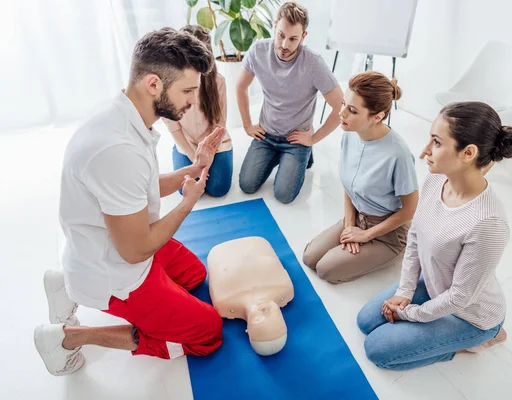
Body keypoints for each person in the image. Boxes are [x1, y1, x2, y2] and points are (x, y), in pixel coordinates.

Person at [34, 28, 226, 376]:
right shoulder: (118, 150)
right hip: (118, 273)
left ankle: (62, 284)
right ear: (154, 84)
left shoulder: (123, 113)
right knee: (208, 333)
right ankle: (67, 337)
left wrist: (196, 166)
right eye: (186, 91)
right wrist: (187, 202)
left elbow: (141, 189)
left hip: (110, 239)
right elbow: (135, 252)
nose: (192, 102)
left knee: (195, 274)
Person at [356, 101, 512, 371]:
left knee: (378, 351)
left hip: (471, 315)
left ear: (468, 153)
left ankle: (482, 339)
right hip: (436, 287)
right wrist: (405, 290)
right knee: (366, 321)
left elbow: (459, 297)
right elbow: (416, 237)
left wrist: (410, 313)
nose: (425, 151)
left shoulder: (489, 223)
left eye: (436, 142)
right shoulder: (436, 179)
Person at [303, 72, 418, 283]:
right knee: (310, 257)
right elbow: (350, 185)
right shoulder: (350, 134)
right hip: (357, 216)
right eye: (344, 104)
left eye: (352, 110)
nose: (342, 113)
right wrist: (349, 225)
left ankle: (393, 253)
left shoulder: (398, 155)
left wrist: (366, 235)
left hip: (387, 233)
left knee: (325, 270)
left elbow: (410, 210)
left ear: (377, 117)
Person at [236, 1, 344, 204]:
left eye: (293, 39)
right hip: (266, 134)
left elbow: (341, 106)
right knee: (247, 185)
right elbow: (240, 86)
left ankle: (303, 154)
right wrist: (247, 125)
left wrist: (312, 139)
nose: (285, 45)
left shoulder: (314, 63)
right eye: (281, 35)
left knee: (283, 195)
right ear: (275, 25)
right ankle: (282, 158)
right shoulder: (258, 51)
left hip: (295, 139)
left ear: (304, 36)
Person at [164, 25, 233, 197]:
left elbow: (219, 125)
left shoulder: (218, 82)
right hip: (186, 141)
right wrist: (195, 159)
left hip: (213, 143)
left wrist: (206, 160)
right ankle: (180, 153)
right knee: (184, 189)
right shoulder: (171, 84)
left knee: (218, 189)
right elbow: (174, 127)